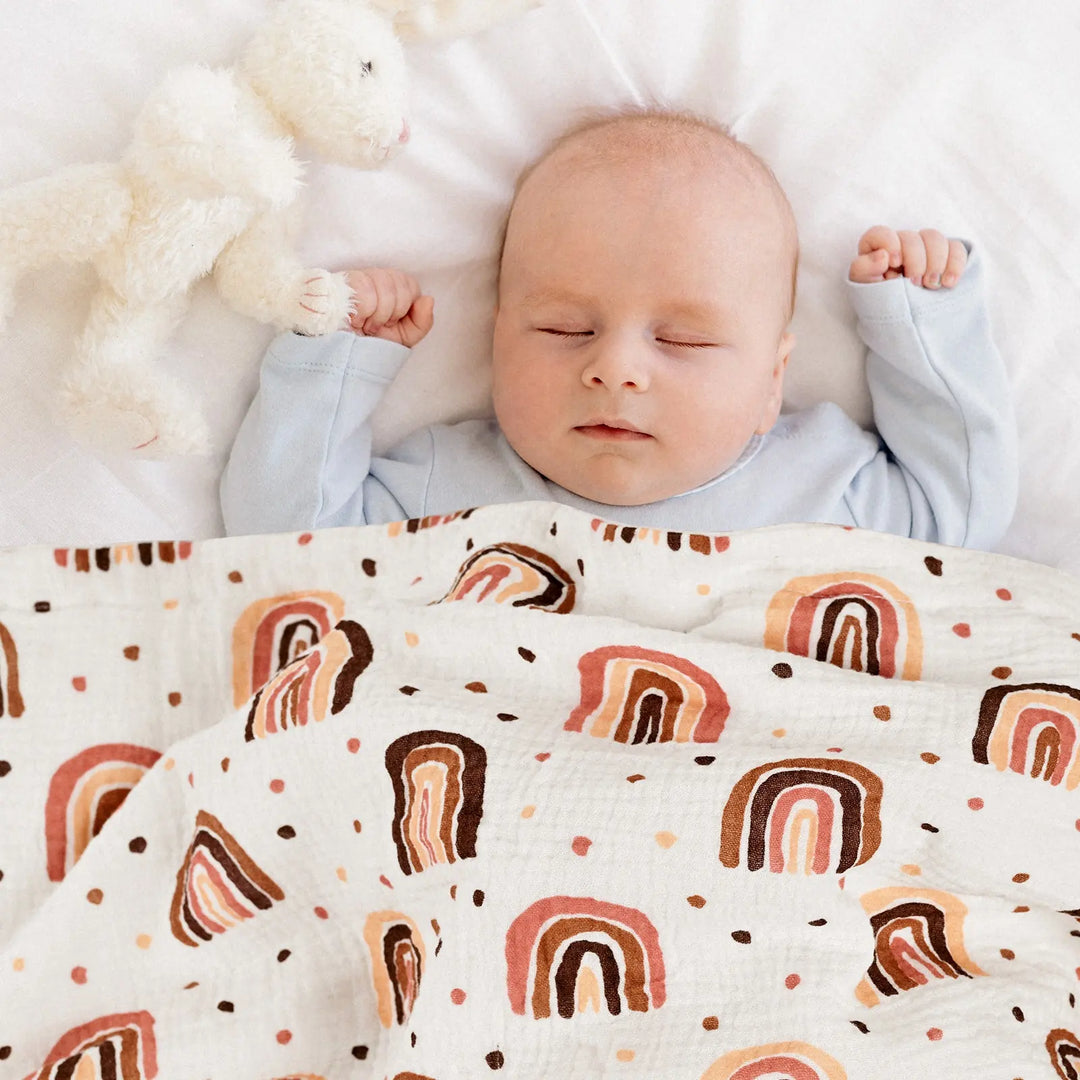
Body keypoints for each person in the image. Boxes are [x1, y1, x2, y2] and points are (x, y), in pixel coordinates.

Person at [220, 107, 1017, 549]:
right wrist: (338, 362)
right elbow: (283, 543)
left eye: (683, 340)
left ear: (773, 380)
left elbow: (964, 512)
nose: (617, 368)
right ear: (496, 340)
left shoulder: (825, 487)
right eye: (565, 328)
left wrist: (921, 326)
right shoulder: (443, 492)